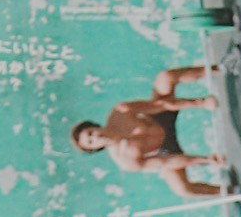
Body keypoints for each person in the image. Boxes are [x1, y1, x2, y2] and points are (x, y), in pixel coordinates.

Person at [69, 67, 227, 203]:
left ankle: (218, 68)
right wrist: (206, 160)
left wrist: (201, 103)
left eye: (91, 133)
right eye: (91, 142)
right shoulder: (125, 161)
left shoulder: (120, 112)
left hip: (159, 118)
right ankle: (231, 191)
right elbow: (165, 162)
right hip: (165, 149)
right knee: (183, 190)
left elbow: (159, 105)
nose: (96, 137)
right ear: (96, 148)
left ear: (95, 126)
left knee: (165, 78)